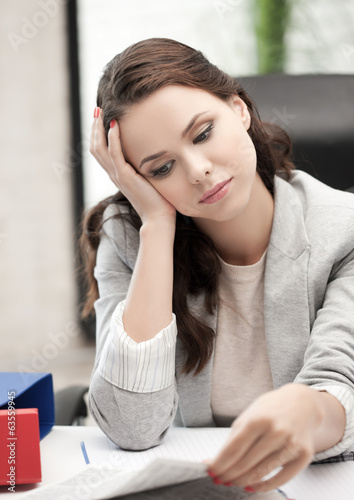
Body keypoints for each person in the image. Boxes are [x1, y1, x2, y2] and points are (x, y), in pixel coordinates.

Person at [81, 37, 354, 493]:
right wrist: (156, 227)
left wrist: (310, 411)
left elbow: (343, 385)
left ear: (238, 109)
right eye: (161, 168)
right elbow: (132, 428)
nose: (197, 170)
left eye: (203, 133)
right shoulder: (131, 236)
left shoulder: (343, 232)